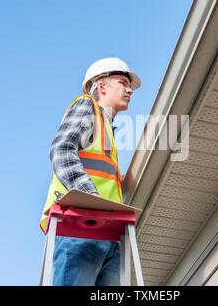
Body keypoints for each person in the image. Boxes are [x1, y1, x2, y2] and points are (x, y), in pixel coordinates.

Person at [39, 57, 141, 286]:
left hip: (108, 233)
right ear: (101, 86)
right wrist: (90, 198)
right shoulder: (87, 106)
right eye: (123, 82)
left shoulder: (109, 134)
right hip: (79, 226)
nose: (129, 89)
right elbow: (62, 150)